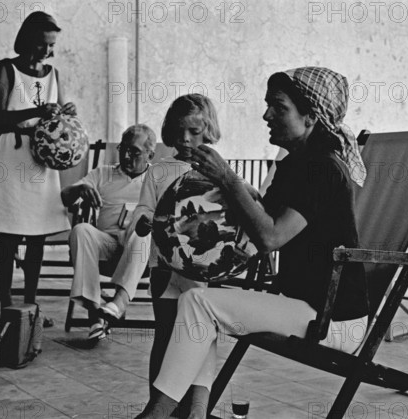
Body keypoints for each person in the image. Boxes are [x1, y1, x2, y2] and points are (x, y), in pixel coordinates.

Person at [135, 67, 370, 419]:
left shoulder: (323, 167)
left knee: (199, 303)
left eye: (279, 107)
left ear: (310, 116)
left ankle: (156, 415)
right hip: (301, 304)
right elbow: (252, 223)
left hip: (332, 317)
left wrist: (228, 178)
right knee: (195, 302)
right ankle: (191, 414)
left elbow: (270, 236)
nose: (267, 115)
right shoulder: (294, 165)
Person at [132, 94, 222, 416]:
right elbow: (144, 206)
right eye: (180, 130)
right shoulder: (158, 171)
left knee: (199, 336)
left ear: (208, 130)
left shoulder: (216, 170)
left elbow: (227, 214)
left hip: (200, 268)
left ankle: (196, 407)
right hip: (164, 267)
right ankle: (159, 405)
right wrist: (143, 220)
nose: (186, 139)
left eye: (195, 131)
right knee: (165, 334)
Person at [0, 11, 76, 328]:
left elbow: (58, 118)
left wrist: (66, 112)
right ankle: (6, 310)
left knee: (38, 236)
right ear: (28, 40)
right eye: (43, 45)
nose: (49, 52)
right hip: (13, 156)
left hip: (42, 159)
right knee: (9, 234)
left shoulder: (53, 74)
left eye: (52, 46)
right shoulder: (5, 69)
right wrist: (38, 110)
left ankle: (30, 306)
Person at [61, 124, 156, 341]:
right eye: (123, 149)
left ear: (150, 154)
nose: (126, 155)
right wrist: (79, 189)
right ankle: (96, 314)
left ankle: (119, 302)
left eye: (134, 151)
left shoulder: (157, 180)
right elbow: (65, 197)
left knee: (142, 221)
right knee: (81, 230)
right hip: (108, 245)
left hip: (141, 251)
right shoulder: (103, 173)